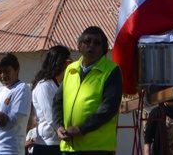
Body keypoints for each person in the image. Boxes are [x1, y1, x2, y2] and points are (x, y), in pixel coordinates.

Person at [53, 26, 122, 155]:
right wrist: (58, 126)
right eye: (87, 41)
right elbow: (57, 101)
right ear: (79, 46)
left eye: (97, 43)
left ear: (104, 49)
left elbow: (108, 108)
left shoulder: (111, 71)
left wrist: (81, 129)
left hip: (97, 148)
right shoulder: (70, 69)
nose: (91, 46)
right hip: (69, 147)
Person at [31, 45, 71, 155]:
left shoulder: (59, 85)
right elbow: (51, 116)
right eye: (69, 61)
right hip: (47, 144)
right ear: (61, 63)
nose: (70, 64)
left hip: (59, 142)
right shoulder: (44, 86)